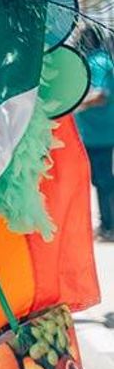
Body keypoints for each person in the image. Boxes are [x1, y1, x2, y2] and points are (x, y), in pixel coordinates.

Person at [75, 30, 114, 240]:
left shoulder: (98, 62)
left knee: (103, 181)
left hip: (98, 135)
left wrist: (73, 107)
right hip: (98, 133)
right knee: (102, 180)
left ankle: (109, 226)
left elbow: (100, 95)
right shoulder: (100, 60)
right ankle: (107, 225)